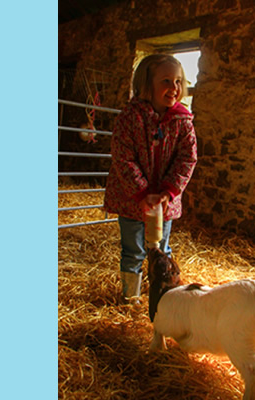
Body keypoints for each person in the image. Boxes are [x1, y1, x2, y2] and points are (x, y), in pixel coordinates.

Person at [104, 54, 198, 302]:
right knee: (133, 251)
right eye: (166, 81)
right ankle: (130, 298)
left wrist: (168, 191)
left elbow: (187, 159)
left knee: (160, 250)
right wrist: (143, 193)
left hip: (164, 202)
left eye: (178, 81)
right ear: (147, 84)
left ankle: (163, 297)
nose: (174, 88)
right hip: (132, 199)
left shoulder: (183, 120)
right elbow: (123, 158)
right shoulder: (130, 117)